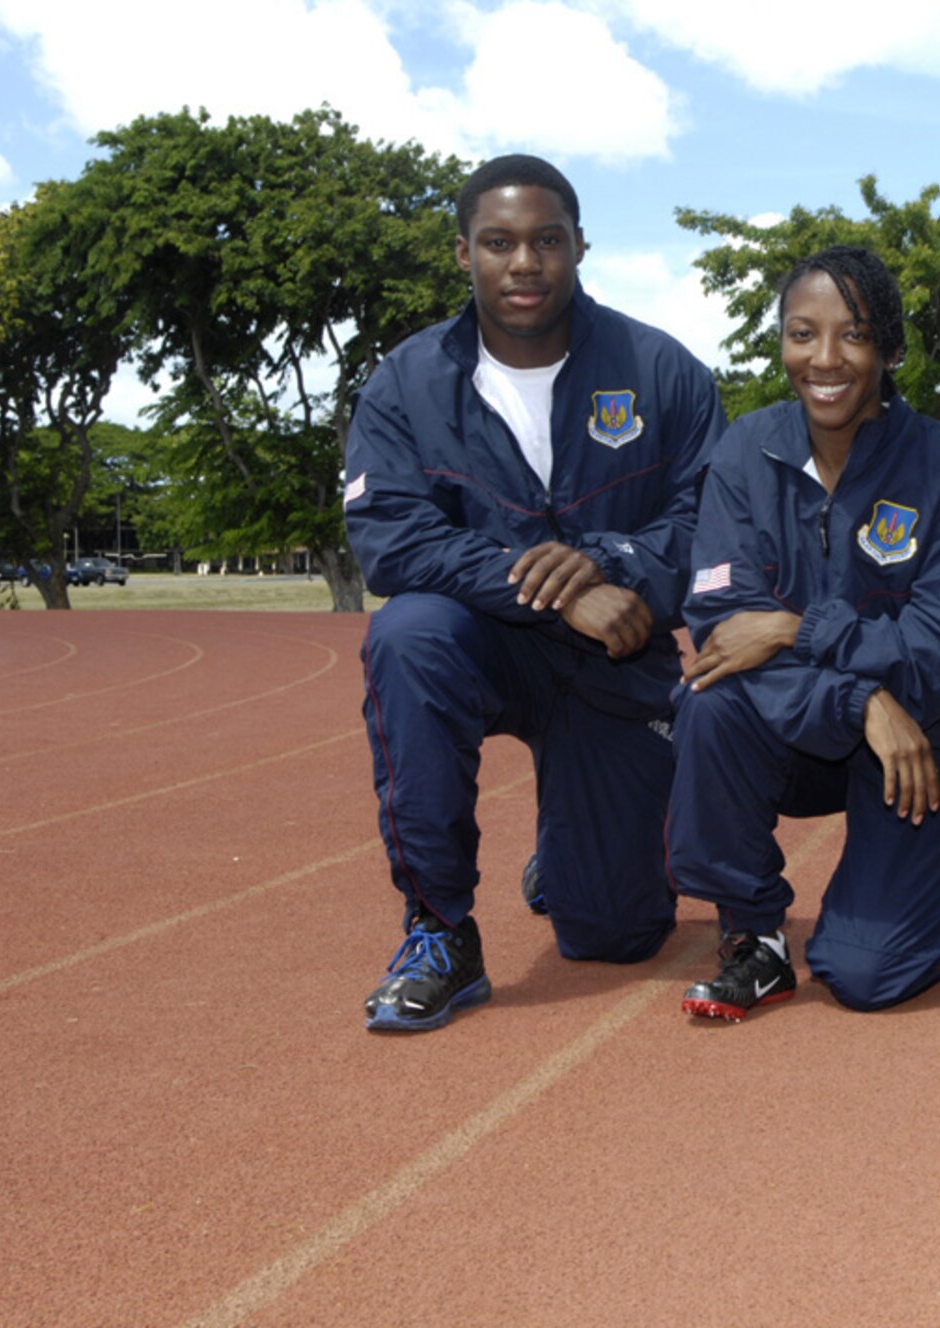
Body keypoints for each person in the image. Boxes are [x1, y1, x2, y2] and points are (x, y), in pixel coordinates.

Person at [346, 153, 724, 1032]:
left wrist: (608, 564)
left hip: (617, 655)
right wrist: (551, 591)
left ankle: (572, 854)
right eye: (499, 242)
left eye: (546, 240)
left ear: (581, 246)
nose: (525, 263)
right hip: (484, 645)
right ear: (462, 254)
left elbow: (712, 529)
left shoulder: (665, 372)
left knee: (617, 936)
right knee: (407, 636)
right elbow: (394, 541)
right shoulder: (405, 383)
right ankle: (438, 930)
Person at [665, 245, 940, 1019]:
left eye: (853, 335)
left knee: (863, 976)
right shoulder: (742, 454)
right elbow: (725, 631)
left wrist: (797, 627)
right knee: (708, 700)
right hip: (813, 734)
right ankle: (753, 936)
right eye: (801, 333)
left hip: (925, 739)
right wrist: (859, 703)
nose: (824, 358)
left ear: (889, 351)